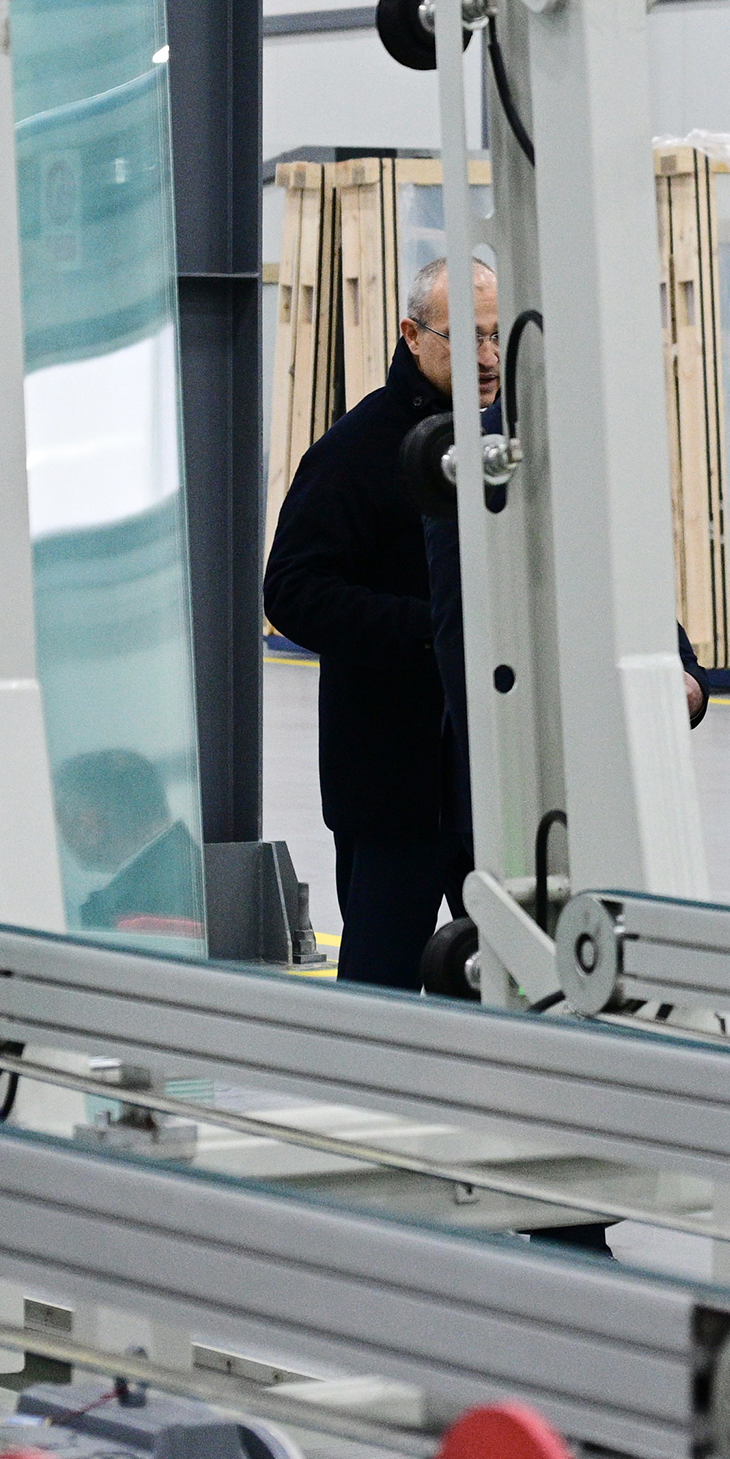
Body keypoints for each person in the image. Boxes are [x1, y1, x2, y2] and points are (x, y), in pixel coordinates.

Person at [263, 256, 496, 990]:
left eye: (497, 336)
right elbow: (292, 590)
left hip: (499, 781)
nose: (489, 357)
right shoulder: (359, 449)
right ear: (411, 335)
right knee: (380, 986)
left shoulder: (518, 442)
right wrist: (435, 633)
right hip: (395, 788)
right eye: (468, 338)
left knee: (517, 978)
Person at [55, 748, 203, 934]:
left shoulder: (119, 916)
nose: (63, 841)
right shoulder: (202, 875)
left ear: (89, 826)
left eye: (63, 825)